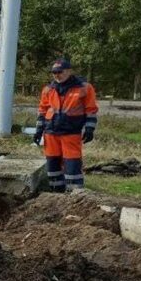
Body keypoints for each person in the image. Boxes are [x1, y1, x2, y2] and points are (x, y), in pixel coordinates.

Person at [33, 57, 98, 192]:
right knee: (52, 164)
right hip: (51, 132)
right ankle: (56, 193)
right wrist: (39, 130)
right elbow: (42, 110)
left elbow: (91, 109)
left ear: (69, 71)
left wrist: (90, 128)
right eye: (54, 72)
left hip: (71, 132)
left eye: (60, 72)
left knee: (72, 164)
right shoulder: (48, 89)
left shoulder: (84, 87)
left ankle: (75, 194)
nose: (57, 75)